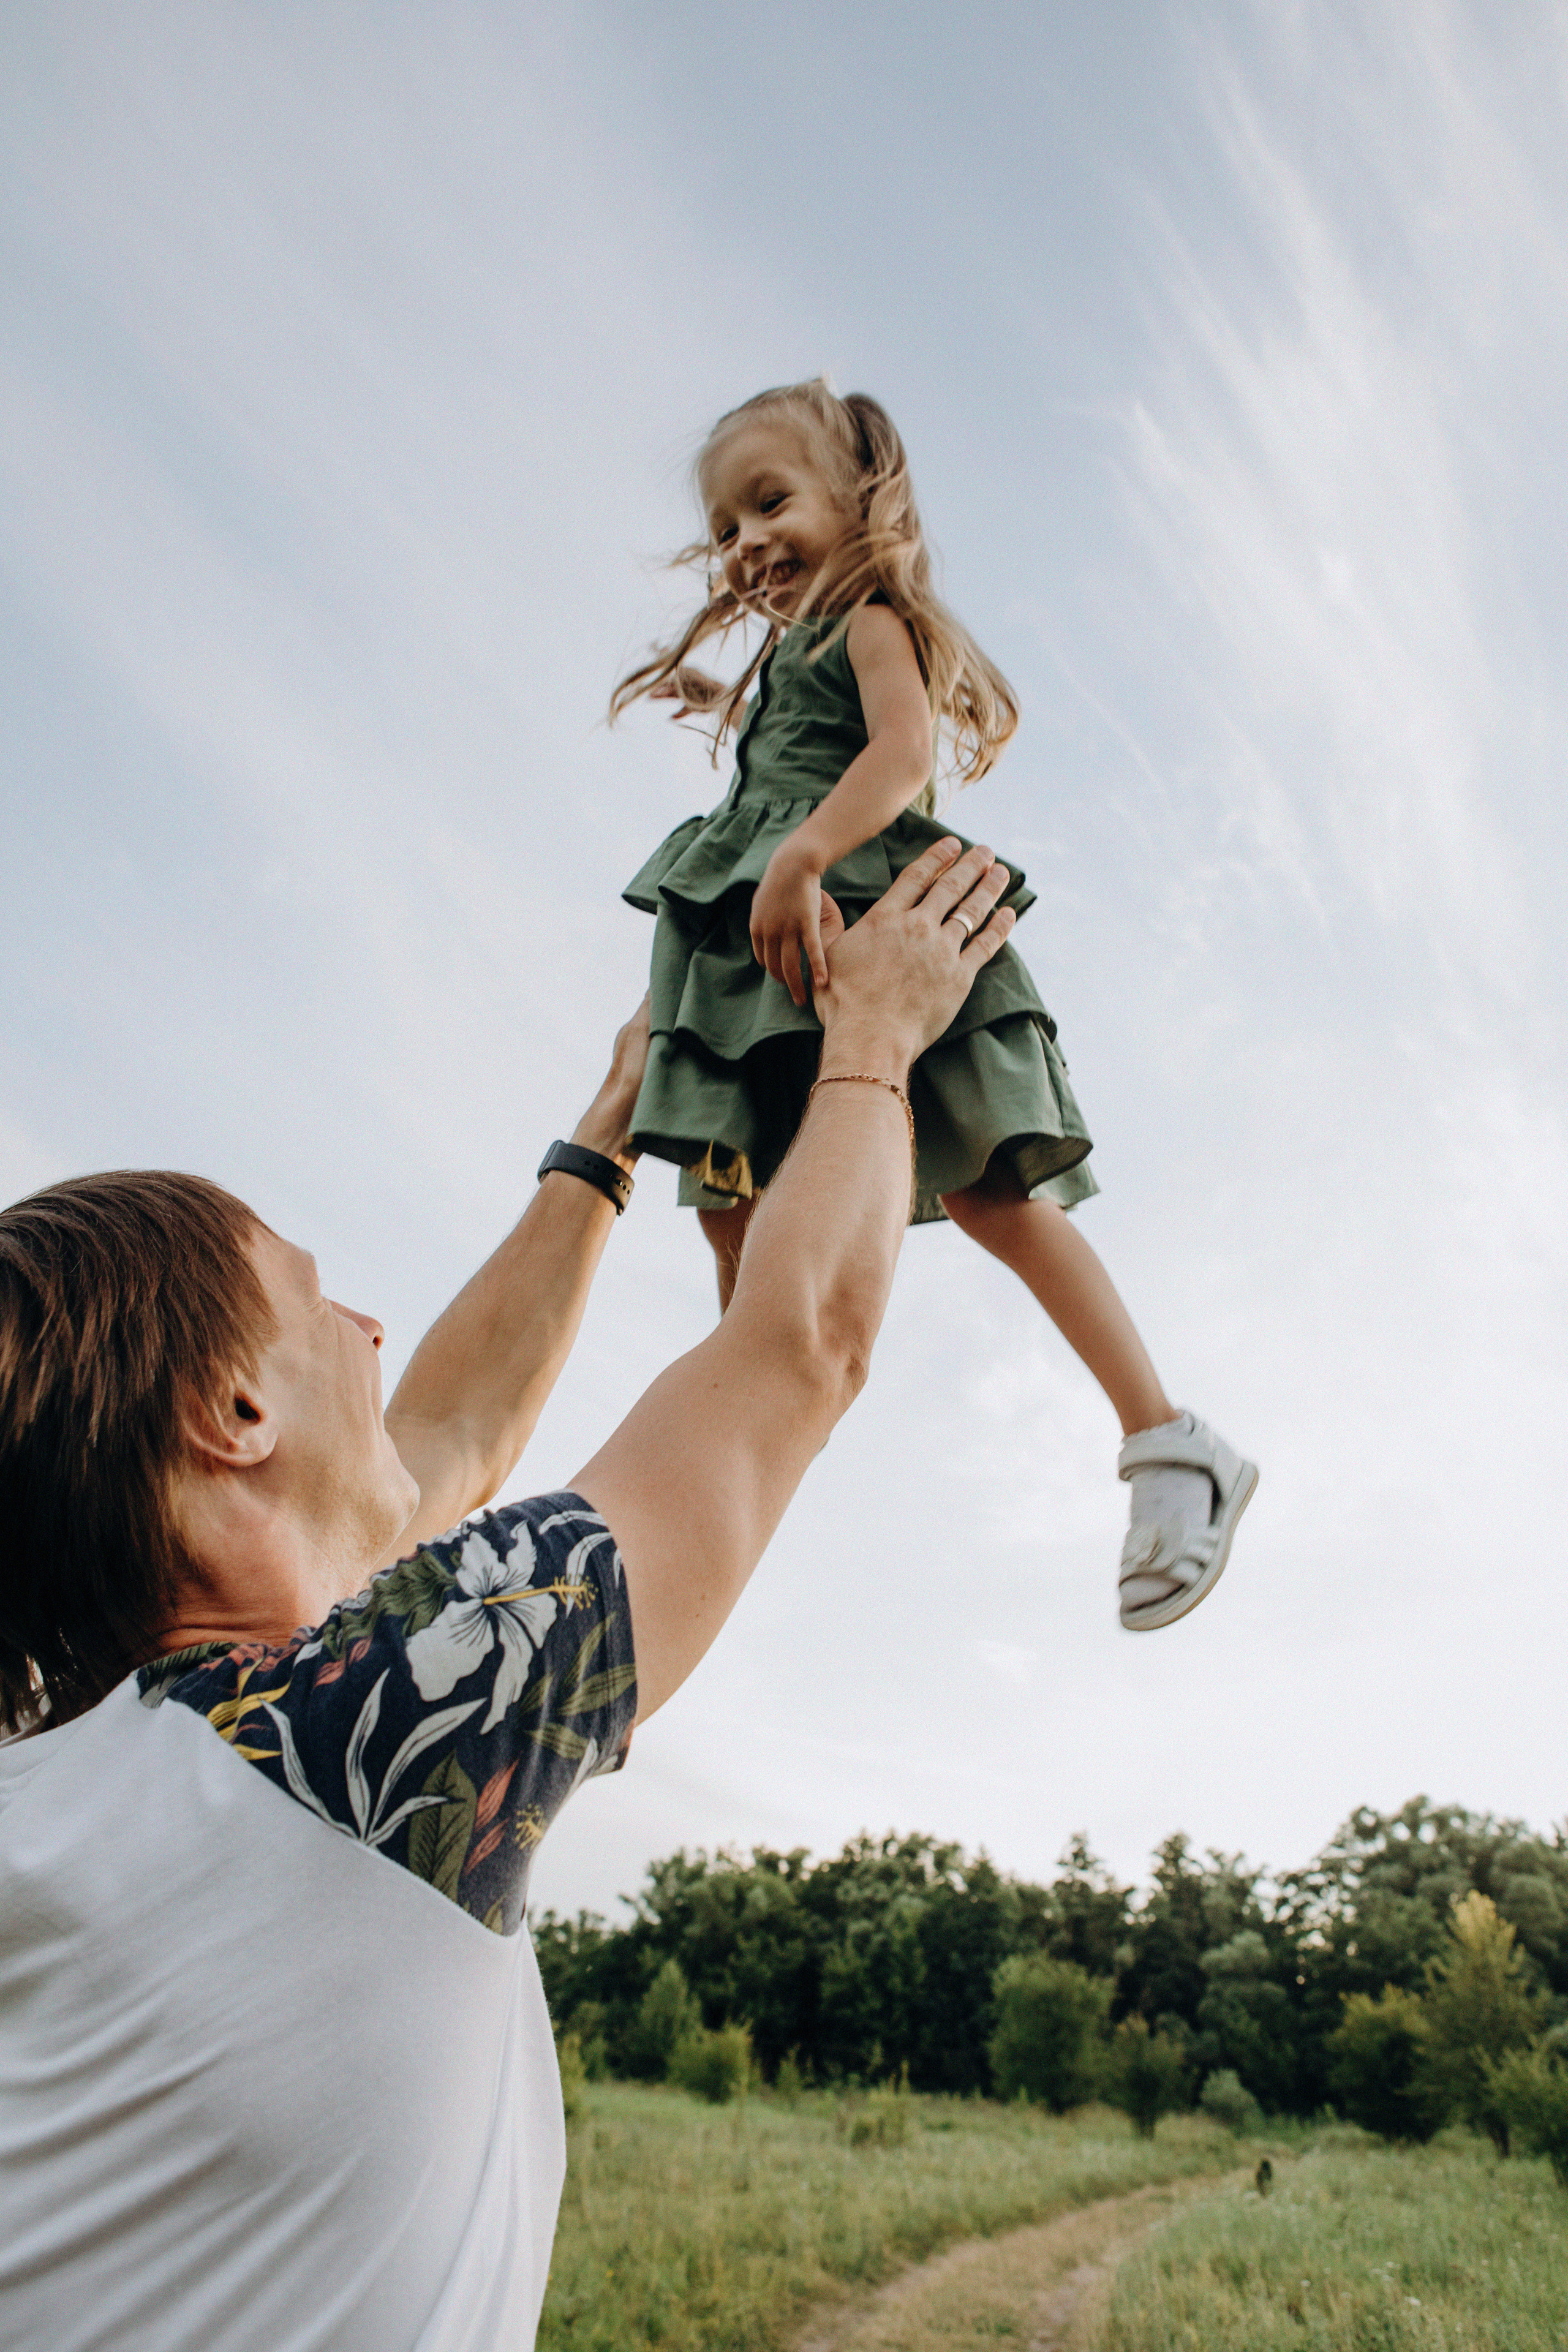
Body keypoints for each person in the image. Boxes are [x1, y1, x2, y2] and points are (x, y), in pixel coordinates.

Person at [0, 838, 1011, 2352]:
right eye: (313, 1297)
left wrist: (606, 1140)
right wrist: (875, 1043)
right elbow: (797, 1347)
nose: (368, 1326)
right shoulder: (354, 1745)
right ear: (235, 1417)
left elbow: (445, 1446)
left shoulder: (103, 1775)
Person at [613, 379, 1256, 1630]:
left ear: (857, 501)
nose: (744, 539)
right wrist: (725, 722)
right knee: (734, 1220)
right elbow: (797, 752)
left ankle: (1168, 1438)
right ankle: (736, 1466)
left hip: (867, 922)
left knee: (989, 1196)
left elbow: (900, 757)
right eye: (726, 521)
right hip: (770, 951)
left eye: (770, 500)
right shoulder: (791, 654)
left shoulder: (867, 620)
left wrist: (799, 854)